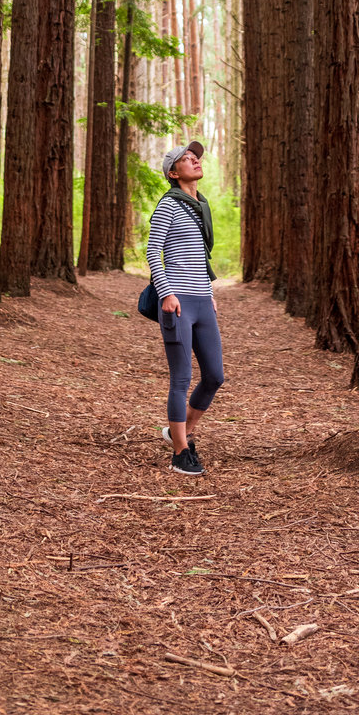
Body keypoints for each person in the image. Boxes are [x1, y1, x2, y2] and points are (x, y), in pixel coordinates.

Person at [145, 140, 225, 476]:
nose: (194, 161)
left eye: (195, 157)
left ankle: (182, 432)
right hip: (176, 302)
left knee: (215, 376)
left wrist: (209, 293)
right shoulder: (169, 205)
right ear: (174, 173)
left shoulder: (200, 205)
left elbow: (198, 258)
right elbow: (153, 251)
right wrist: (166, 294)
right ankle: (180, 452)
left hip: (202, 300)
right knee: (181, 378)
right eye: (186, 159)